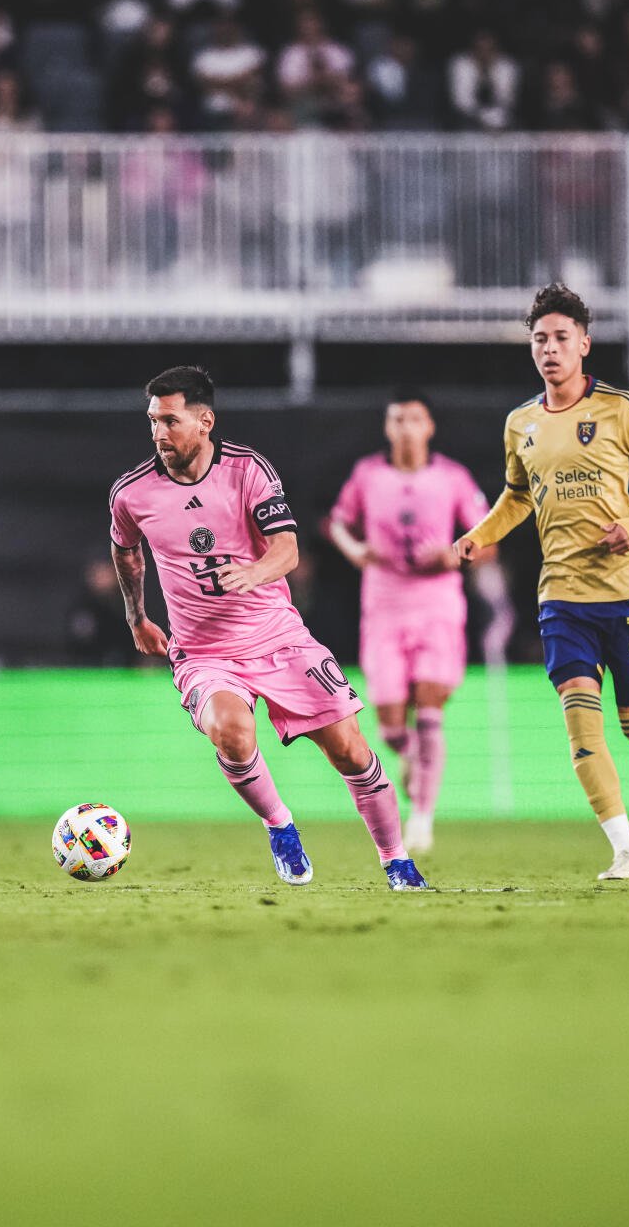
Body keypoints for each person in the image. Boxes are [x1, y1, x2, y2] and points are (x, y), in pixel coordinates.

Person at [109, 366, 427, 890]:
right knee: (230, 731)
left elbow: (287, 546)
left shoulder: (247, 470)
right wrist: (136, 616)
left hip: (279, 636)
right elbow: (125, 553)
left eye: (170, 420)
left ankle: (396, 859)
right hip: (204, 652)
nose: (159, 434)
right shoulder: (132, 493)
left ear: (205, 420)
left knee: (349, 749)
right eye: (152, 422)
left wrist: (254, 572)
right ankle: (280, 826)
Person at [452, 284, 629, 881]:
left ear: (585, 345)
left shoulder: (621, 409)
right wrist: (480, 536)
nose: (550, 349)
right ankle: (628, 852)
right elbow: (518, 497)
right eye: (540, 340)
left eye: (561, 339)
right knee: (581, 723)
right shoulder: (520, 422)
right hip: (562, 598)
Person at [325, 391, 489, 855]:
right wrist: (356, 550)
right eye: (398, 419)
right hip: (383, 608)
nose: (406, 428)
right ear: (387, 427)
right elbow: (338, 522)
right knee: (393, 726)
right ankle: (414, 757)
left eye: (415, 419)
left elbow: (487, 537)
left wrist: (454, 553)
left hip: (437, 606)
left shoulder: (453, 477)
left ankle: (422, 817)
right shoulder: (367, 475)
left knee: (431, 705)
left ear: (429, 426)